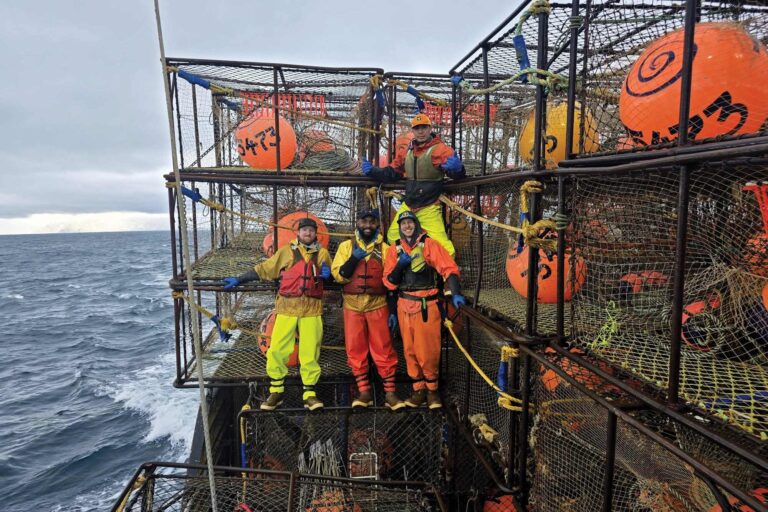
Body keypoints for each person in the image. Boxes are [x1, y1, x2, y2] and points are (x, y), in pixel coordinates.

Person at [223, 217, 332, 411]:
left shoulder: (323, 253)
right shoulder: (286, 252)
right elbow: (266, 269)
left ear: (316, 234)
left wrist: (327, 273)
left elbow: (330, 274)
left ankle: (309, 393)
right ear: (297, 233)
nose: (307, 233)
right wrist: (240, 279)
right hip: (287, 308)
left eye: (311, 230)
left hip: (312, 310)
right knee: (277, 349)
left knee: (310, 352)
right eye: (304, 230)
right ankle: (276, 391)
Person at [383, 210, 466, 409]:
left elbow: (448, 268)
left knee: (428, 350)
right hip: (404, 305)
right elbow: (389, 282)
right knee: (409, 350)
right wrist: (393, 310)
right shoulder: (394, 250)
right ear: (399, 228)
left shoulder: (429, 244)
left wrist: (455, 292)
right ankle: (418, 389)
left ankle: (432, 391)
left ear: (416, 224)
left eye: (410, 222)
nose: (407, 227)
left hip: (426, 305)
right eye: (403, 224)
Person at [362, 113, 465, 257]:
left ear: (430, 128)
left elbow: (456, 174)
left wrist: (459, 169)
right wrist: (373, 171)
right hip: (409, 206)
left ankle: (443, 276)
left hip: (429, 206)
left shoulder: (440, 150)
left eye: (424, 127)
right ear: (413, 131)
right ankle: (411, 264)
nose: (420, 131)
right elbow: (392, 173)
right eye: (417, 128)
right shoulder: (407, 152)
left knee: (447, 250)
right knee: (392, 238)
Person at [331, 208, 405, 410]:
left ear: (377, 225)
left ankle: (390, 393)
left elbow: (392, 281)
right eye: (364, 221)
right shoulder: (346, 246)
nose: (367, 226)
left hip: (378, 304)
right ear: (357, 222)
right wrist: (354, 258)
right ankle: (364, 391)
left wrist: (392, 311)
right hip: (352, 305)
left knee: (384, 348)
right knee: (355, 348)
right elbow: (338, 275)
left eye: (372, 222)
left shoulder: (386, 248)